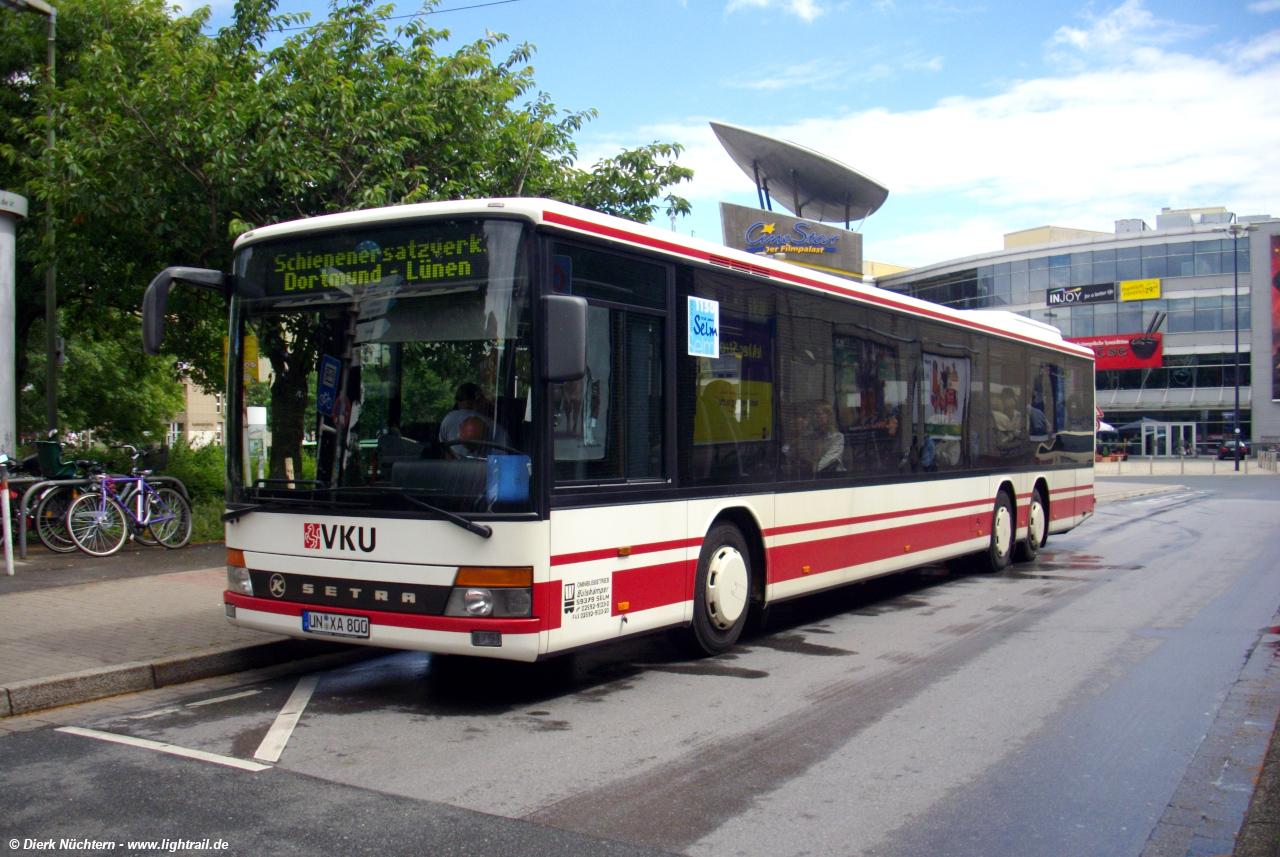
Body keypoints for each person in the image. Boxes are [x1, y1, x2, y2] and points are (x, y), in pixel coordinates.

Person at [440, 382, 510, 458]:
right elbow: (445, 453)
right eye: (462, 403)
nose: (470, 452)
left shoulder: (498, 435)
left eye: (474, 447)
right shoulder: (449, 421)